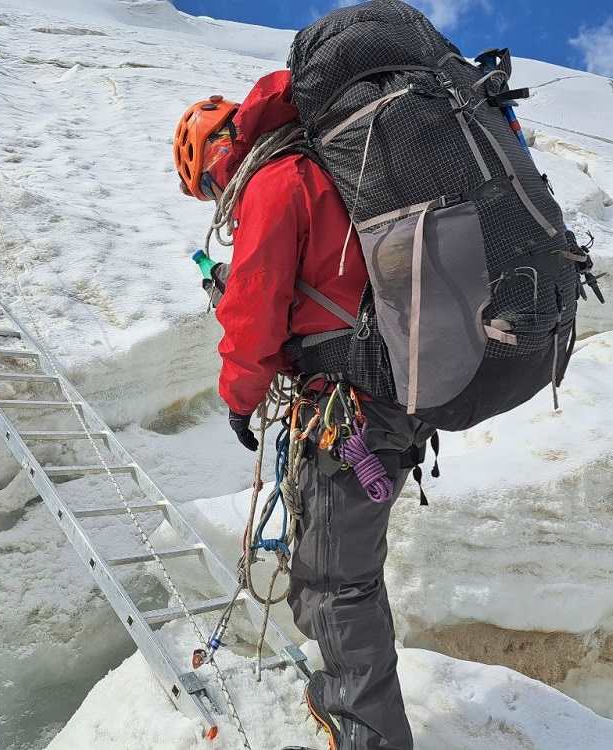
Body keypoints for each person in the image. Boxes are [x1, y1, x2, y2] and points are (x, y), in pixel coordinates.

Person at [174, 70, 434, 750]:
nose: (215, 201)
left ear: (217, 157)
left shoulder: (277, 179)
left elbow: (254, 309)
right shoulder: (331, 168)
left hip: (352, 407)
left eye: (206, 186)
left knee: (333, 581)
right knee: (339, 567)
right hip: (395, 395)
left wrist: (239, 398)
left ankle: (368, 735)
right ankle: (349, 705)